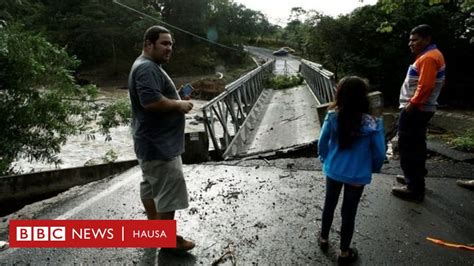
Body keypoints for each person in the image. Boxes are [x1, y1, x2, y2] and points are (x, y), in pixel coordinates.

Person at [128, 25, 195, 251]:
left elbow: (153, 96)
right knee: (168, 190)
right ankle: (167, 241)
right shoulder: (146, 68)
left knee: (150, 185)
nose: (169, 48)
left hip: (150, 142)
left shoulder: (147, 66)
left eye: (171, 44)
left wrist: (176, 95)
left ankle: (153, 231)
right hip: (160, 145)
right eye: (164, 43)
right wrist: (178, 103)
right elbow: (151, 102)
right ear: (148, 44)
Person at [317, 76, 386, 264]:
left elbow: (322, 142)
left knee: (329, 204)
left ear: (340, 95)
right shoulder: (373, 123)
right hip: (357, 174)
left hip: (334, 170)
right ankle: (344, 252)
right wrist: (373, 167)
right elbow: (380, 152)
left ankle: (323, 238)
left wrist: (324, 158)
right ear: (364, 97)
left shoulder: (332, 116)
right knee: (349, 212)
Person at [392, 24, 446, 202]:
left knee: (408, 146)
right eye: (410, 39)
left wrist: (412, 104)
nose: (410, 43)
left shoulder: (429, 58)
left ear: (427, 39)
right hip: (422, 108)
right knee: (417, 144)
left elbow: (426, 86)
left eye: (415, 40)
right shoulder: (430, 55)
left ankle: (414, 188)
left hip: (416, 109)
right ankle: (414, 177)